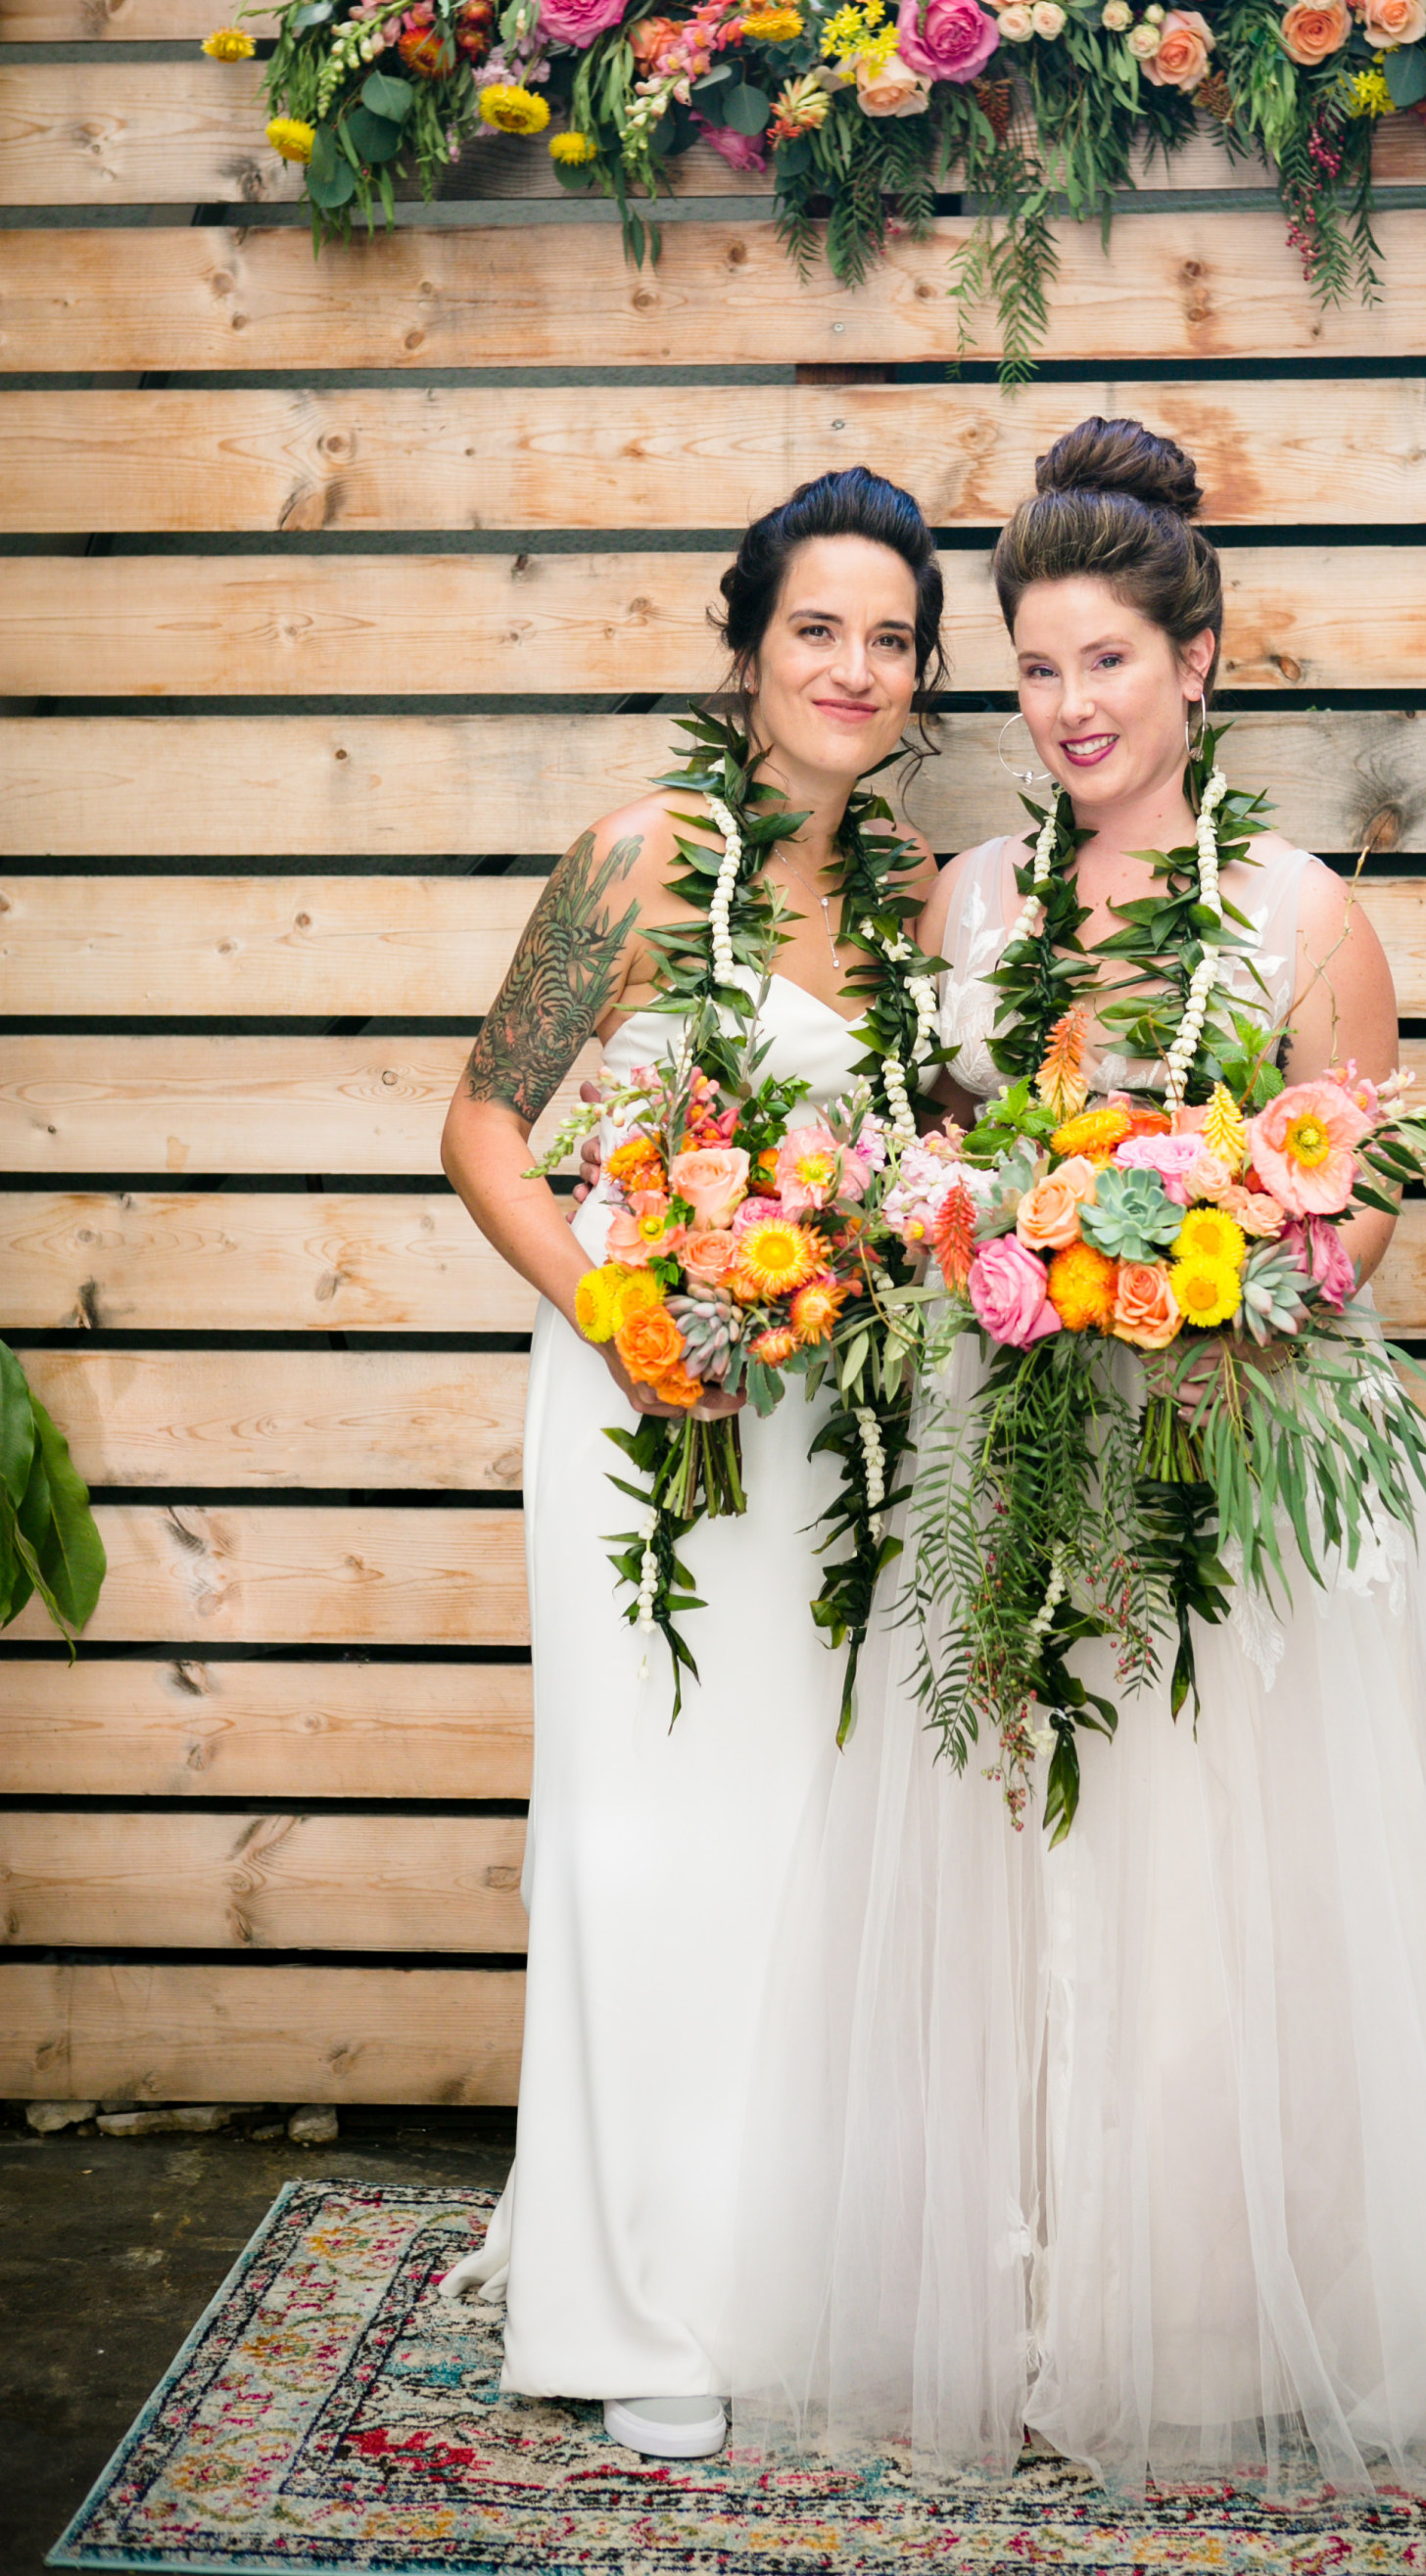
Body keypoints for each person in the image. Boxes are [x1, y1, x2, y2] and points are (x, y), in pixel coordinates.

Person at [728, 416, 1426, 2515]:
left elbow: (1363, 1180)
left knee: (1265, 1899)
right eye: (1033, 670)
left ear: (1198, 662)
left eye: (1107, 661)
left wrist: (1224, 1314)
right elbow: (939, 1163)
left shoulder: (1300, 910)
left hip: (1257, 1464)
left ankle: (1244, 2302)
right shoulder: (968, 900)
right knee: (1039, 1872)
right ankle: (1049, 2296)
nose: (1070, 708)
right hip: (1025, 1465)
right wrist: (988, 1236)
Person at [436, 467, 942, 2462]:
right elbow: (484, 1122)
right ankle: (630, 2296)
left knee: (808, 1847)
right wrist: (610, 1308)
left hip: (827, 1428)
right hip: (637, 1420)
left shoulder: (905, 901)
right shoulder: (642, 858)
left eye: (890, 635)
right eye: (815, 626)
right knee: (647, 1839)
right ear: (748, 651)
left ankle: (787, 2267)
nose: (852, 665)